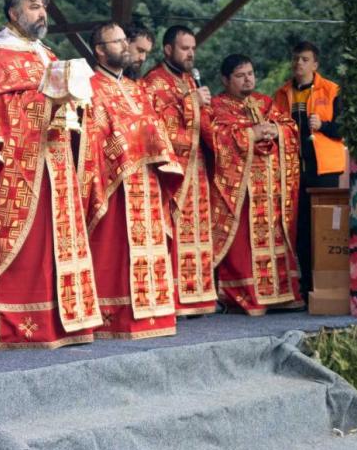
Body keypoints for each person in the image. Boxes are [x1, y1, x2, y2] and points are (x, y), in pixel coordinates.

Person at [0, 0, 102, 349]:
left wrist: (76, 103)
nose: (42, 13)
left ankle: (65, 322)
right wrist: (46, 103)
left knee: (58, 239)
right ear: (14, 14)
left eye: (44, 7)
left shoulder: (46, 54)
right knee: (32, 243)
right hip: (23, 163)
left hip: (56, 160)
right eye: (33, 7)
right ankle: (22, 323)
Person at [79, 22, 182, 339]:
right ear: (99, 49)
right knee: (115, 250)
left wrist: (146, 141)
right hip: (115, 184)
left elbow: (156, 128)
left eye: (126, 40)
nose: (125, 46)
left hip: (148, 181)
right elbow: (92, 136)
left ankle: (156, 314)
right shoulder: (89, 86)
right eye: (118, 41)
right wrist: (134, 141)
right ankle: (116, 318)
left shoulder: (137, 89)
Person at [209, 54, 303, 315]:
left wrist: (276, 130)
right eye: (240, 75)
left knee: (277, 238)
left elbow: (290, 127)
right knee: (244, 244)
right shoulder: (217, 107)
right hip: (243, 193)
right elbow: (217, 138)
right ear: (225, 80)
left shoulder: (265, 102)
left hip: (272, 191)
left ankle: (283, 294)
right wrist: (251, 133)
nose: (248, 78)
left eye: (250, 73)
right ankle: (246, 295)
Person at [141, 26, 217, 316]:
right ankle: (176, 297)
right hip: (173, 170)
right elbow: (156, 125)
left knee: (198, 230)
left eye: (193, 48)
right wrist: (190, 104)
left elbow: (205, 124)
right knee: (175, 231)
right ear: (168, 50)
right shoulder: (153, 82)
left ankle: (199, 294)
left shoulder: (190, 80)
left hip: (196, 167)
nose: (191, 53)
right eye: (185, 48)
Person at [273, 41, 345, 301]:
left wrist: (324, 125)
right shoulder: (282, 94)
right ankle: (304, 286)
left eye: (304, 59)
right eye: (295, 59)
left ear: (315, 64)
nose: (298, 64)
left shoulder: (332, 90)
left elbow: (345, 129)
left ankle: (328, 284)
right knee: (300, 227)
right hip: (293, 169)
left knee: (326, 227)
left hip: (324, 169)